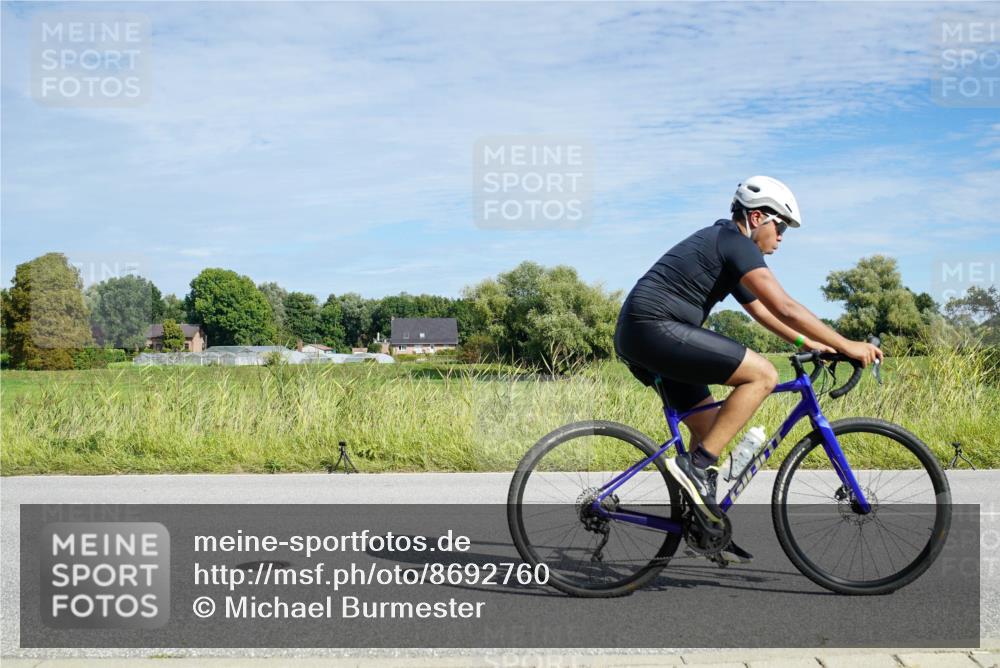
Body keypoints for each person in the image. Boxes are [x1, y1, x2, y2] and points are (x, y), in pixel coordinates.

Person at [613, 176, 883, 560]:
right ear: (757, 217)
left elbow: (761, 311)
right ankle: (695, 467)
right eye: (781, 225)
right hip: (654, 329)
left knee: (711, 430)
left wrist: (813, 344)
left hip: (646, 333)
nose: (782, 237)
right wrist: (846, 344)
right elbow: (785, 306)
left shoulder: (725, 244)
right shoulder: (734, 243)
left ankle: (702, 525)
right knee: (763, 374)